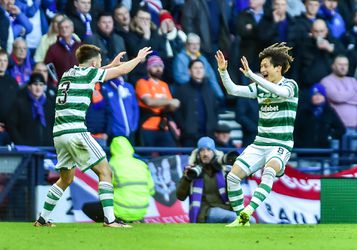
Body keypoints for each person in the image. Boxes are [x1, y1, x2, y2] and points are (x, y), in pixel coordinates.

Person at [34, 44, 152, 228]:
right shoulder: (89, 74)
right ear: (94, 62)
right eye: (99, 62)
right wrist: (138, 58)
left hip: (59, 134)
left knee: (65, 179)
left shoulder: (68, 74)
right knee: (105, 171)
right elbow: (122, 70)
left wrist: (110, 65)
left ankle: (42, 219)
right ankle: (110, 220)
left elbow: (94, 74)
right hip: (76, 131)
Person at [215, 42, 299, 227]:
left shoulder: (290, 85)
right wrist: (223, 71)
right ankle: (241, 219)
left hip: (280, 144)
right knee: (232, 177)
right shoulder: (260, 87)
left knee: (269, 170)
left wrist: (252, 75)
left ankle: (249, 210)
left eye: (265, 66)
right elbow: (233, 89)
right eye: (260, 66)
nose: (262, 69)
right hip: (260, 143)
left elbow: (279, 92)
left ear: (278, 68)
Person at [176, 137, 237, 223]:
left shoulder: (223, 169)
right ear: (198, 154)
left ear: (214, 152)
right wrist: (187, 178)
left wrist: (230, 178)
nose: (205, 154)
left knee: (251, 220)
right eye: (202, 150)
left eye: (209, 150)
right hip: (204, 212)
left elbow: (233, 195)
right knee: (235, 218)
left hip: (224, 208)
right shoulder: (192, 171)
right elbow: (180, 196)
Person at [135, 55, 180, 147]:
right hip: (147, 125)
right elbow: (149, 102)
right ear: (148, 68)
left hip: (163, 126)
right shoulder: (142, 82)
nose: (158, 69)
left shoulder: (164, 85)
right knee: (148, 157)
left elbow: (171, 107)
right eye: (155, 66)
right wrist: (169, 102)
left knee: (170, 155)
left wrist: (172, 103)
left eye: (160, 66)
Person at [7, 73, 55, 146]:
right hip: (27, 149)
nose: (38, 88)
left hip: (48, 147)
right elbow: (11, 125)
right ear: (29, 86)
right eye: (35, 84)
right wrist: (20, 142)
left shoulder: (49, 104)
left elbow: (54, 125)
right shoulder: (20, 103)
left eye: (41, 85)